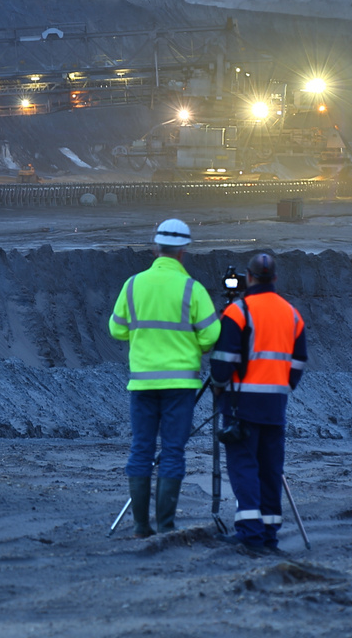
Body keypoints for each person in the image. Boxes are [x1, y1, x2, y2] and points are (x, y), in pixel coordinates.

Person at [109, 218, 221, 537]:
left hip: (143, 383)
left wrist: (144, 339)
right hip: (180, 387)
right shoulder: (192, 289)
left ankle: (141, 526)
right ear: (184, 251)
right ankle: (167, 525)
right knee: (173, 451)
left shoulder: (132, 285)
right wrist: (192, 346)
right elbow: (212, 334)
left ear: (156, 247)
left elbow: (116, 329)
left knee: (141, 449)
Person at [209, 251, 308, 554]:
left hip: (242, 407)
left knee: (244, 468)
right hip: (275, 407)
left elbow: (223, 362)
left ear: (248, 278)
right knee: (270, 471)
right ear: (275, 279)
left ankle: (250, 535)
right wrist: (282, 386)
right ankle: (269, 535)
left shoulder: (239, 312)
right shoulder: (292, 314)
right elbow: (299, 361)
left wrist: (218, 385)